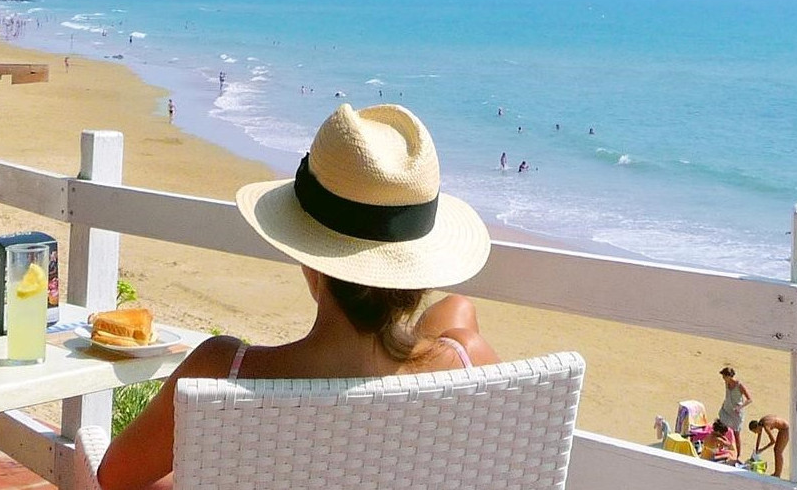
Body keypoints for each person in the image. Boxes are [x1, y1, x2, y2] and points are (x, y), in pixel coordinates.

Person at [95, 103, 497, 490]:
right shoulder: (467, 362)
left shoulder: (222, 371)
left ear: (310, 264)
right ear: (419, 278)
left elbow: (116, 477)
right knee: (458, 315)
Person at [717, 366, 752, 461]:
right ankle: (723, 450)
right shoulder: (727, 383)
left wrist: (740, 407)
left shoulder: (739, 385)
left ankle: (738, 456)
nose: (723, 379)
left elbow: (749, 399)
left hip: (736, 414)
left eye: (724, 377)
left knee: (736, 435)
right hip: (726, 410)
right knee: (721, 430)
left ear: (729, 376)